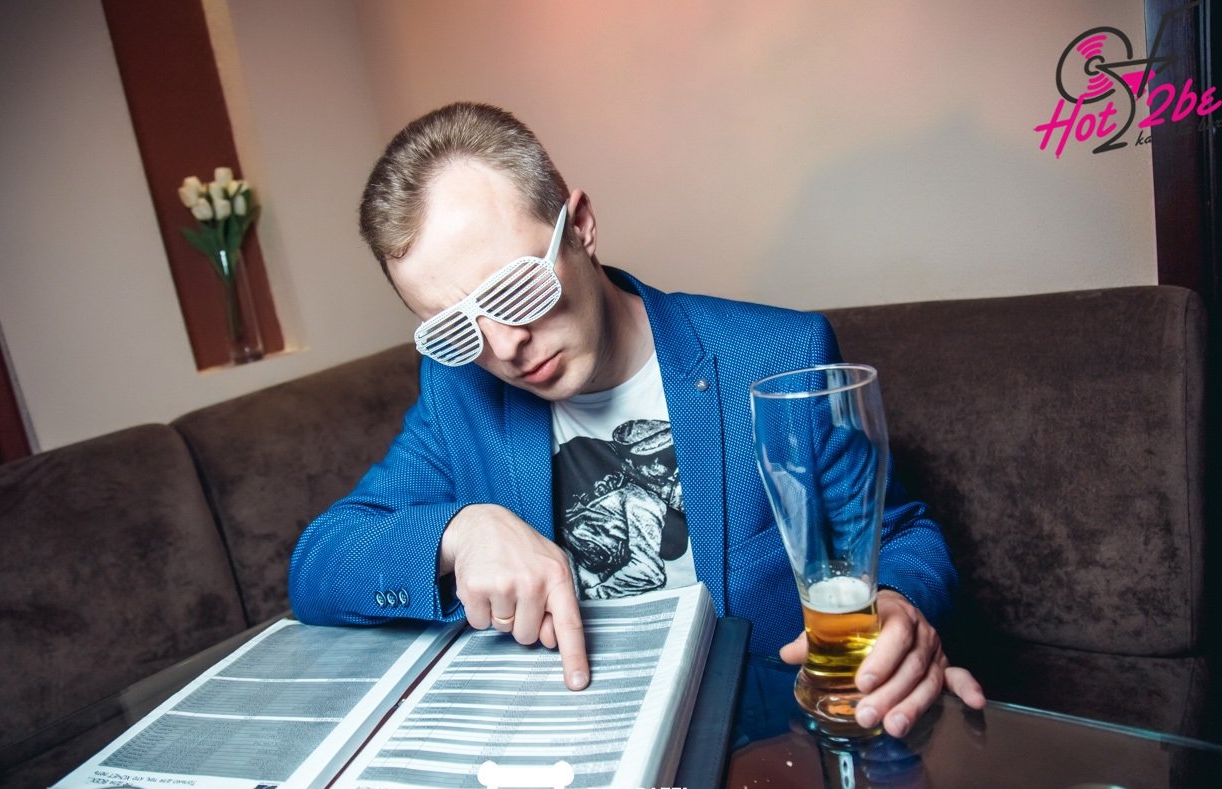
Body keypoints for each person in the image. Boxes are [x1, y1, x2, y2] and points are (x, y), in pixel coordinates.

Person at [289, 102, 984, 737]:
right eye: (452, 328)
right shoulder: (458, 390)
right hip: (574, 745)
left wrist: (899, 604)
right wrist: (460, 532)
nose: (502, 347)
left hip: (766, 744)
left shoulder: (781, 354)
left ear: (580, 226)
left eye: (515, 289)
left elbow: (901, 536)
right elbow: (320, 561)